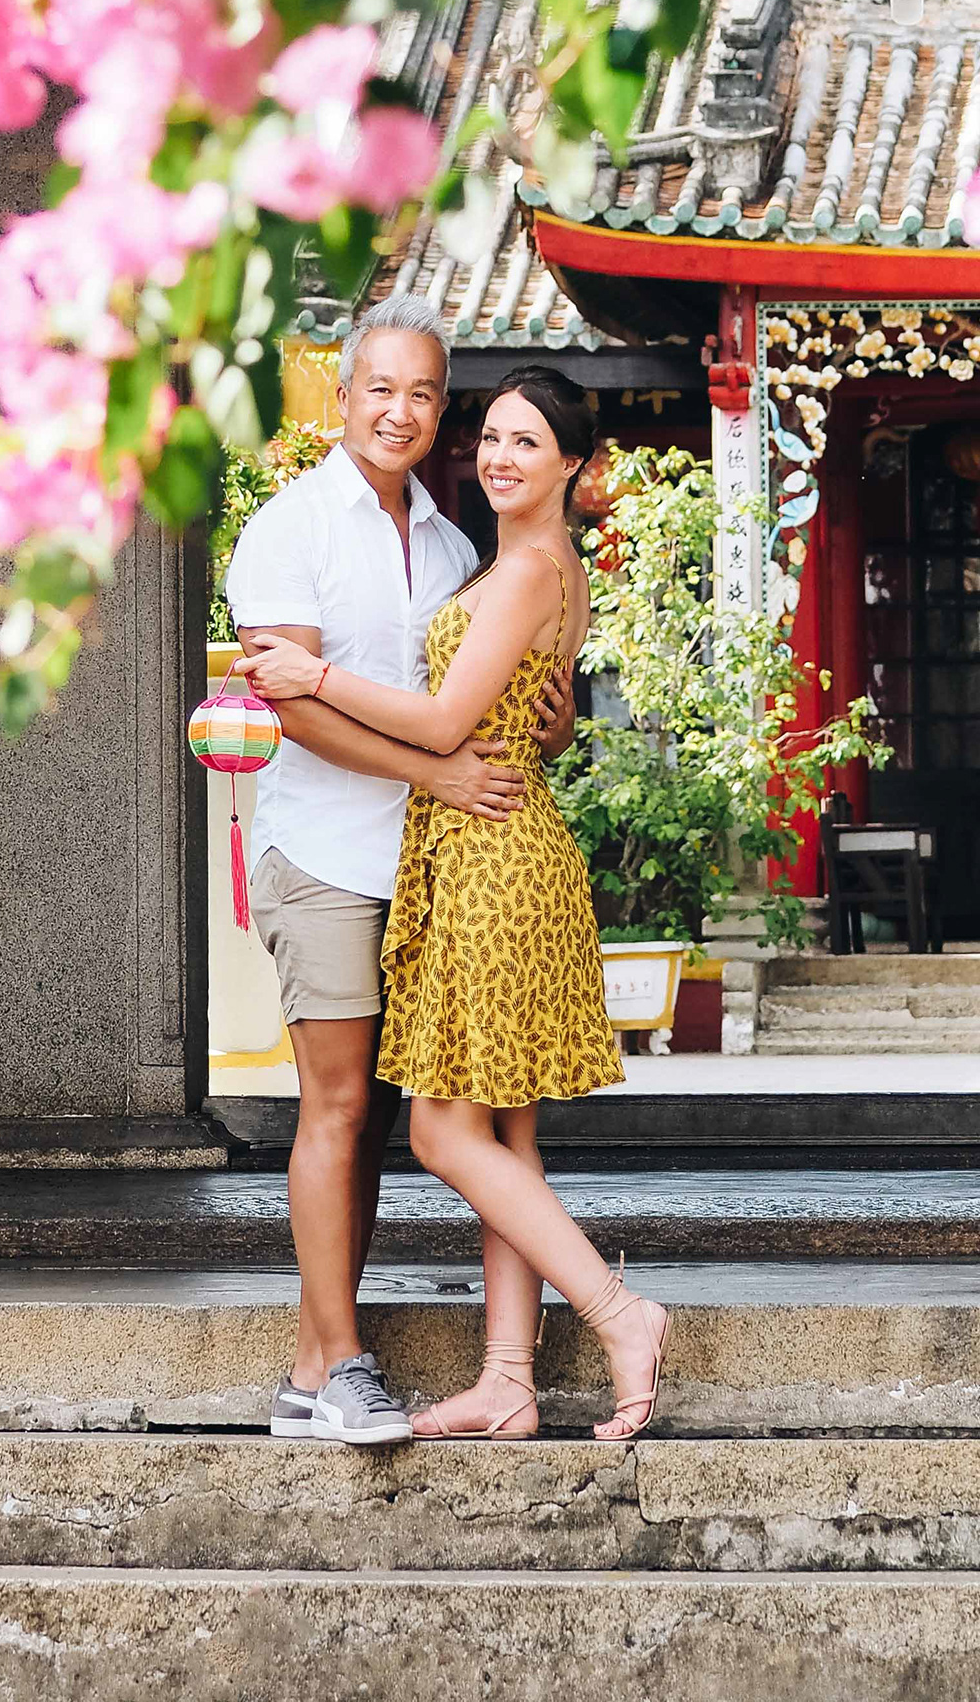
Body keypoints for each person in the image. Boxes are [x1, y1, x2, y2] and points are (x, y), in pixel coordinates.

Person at [245, 362, 672, 1446]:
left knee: (440, 1131)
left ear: (575, 465)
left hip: (492, 859)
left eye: (528, 442)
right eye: (491, 435)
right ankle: (509, 1379)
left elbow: (440, 728)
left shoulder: (527, 567)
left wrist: (314, 677)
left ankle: (621, 1316)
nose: (498, 455)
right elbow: (536, 712)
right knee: (501, 1133)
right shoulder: (519, 562)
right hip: (492, 844)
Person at [225, 296, 569, 1445]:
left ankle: (316, 1363)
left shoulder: (456, 541)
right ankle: (339, 1364)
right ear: (343, 393)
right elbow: (299, 712)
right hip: (325, 851)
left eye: (425, 393)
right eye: (382, 387)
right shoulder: (289, 528)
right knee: (334, 1103)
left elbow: (481, 703)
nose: (402, 411)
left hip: (432, 870)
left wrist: (545, 726)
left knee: (379, 1115)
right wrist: (436, 776)